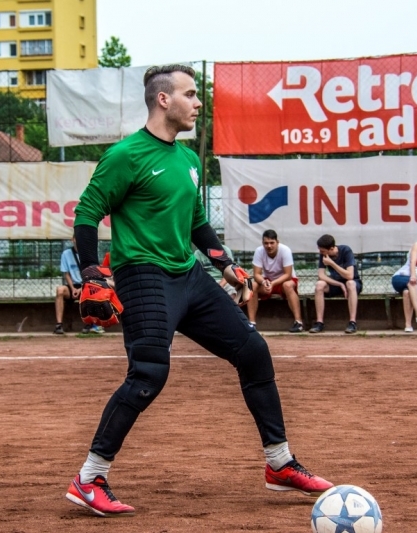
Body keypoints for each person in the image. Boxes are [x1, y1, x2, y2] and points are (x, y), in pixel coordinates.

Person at [65, 64, 332, 517]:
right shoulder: (126, 155)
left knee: (253, 352)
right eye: (191, 94)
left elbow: (195, 224)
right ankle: (89, 479)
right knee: (149, 373)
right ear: (163, 100)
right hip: (143, 274)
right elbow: (88, 212)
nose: (198, 103)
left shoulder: (188, 160)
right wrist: (91, 271)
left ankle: (279, 464)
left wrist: (226, 265)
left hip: (189, 276)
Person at [248, 229, 303, 332]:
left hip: (285, 280)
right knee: (252, 285)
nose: (269, 246)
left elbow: (288, 274)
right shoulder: (259, 251)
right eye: (266, 243)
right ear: (262, 243)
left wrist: (272, 283)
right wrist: (264, 282)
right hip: (268, 281)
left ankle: (298, 322)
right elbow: (256, 274)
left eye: (272, 243)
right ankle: (252, 323)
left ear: (277, 242)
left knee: (287, 285)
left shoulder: (285, 250)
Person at [310, 234, 361, 334]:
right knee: (319, 285)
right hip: (337, 283)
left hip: (353, 284)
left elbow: (350, 275)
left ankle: (352, 322)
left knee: (350, 283)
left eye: (323, 251)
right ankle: (319, 322)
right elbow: (321, 275)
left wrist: (332, 263)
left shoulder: (346, 250)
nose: (321, 253)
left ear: (332, 248)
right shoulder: (323, 254)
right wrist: (340, 284)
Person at [53, 238, 104, 335]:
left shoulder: (89, 253)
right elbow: (66, 274)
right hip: (73, 286)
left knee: (91, 291)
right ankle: (58, 325)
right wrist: (72, 289)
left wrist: (81, 288)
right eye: (76, 238)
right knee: (60, 290)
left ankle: (89, 323)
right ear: (73, 240)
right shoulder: (66, 254)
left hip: (85, 284)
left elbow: (92, 274)